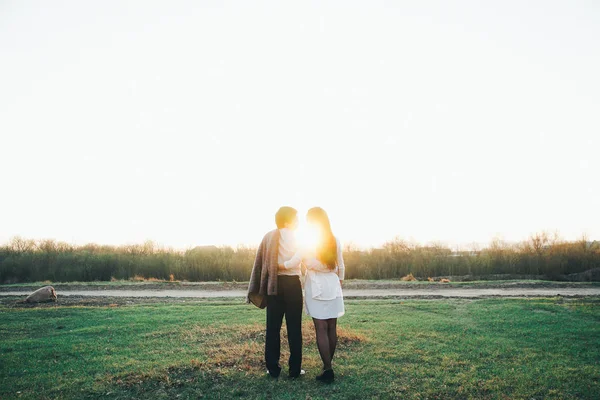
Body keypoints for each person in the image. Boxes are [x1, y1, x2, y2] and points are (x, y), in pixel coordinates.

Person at [281, 207, 345, 383]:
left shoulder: (307, 243)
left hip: (316, 286)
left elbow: (293, 262)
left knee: (321, 328)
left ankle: (328, 368)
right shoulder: (335, 240)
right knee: (332, 327)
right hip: (332, 285)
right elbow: (341, 265)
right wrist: (338, 282)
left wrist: (277, 264)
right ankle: (327, 367)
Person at [247, 206, 305, 379]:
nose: (298, 222)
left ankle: (273, 368)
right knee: (294, 327)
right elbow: (301, 258)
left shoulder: (268, 236)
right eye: (296, 218)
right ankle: (295, 370)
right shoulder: (298, 237)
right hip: (293, 284)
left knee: (273, 327)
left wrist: (273, 269)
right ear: (288, 220)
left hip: (274, 284)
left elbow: (261, 261)